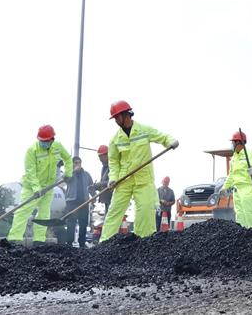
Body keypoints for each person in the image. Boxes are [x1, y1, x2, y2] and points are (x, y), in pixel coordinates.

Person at [99, 100, 179, 241]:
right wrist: (113, 178)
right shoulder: (115, 140)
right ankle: (104, 244)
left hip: (144, 180)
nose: (116, 120)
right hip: (123, 180)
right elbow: (114, 162)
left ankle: (144, 244)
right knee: (114, 212)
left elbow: (163, 137)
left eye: (117, 117)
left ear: (126, 114)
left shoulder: (144, 131)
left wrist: (171, 142)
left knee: (145, 211)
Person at [7, 124, 73, 245]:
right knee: (23, 212)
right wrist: (37, 189)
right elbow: (30, 172)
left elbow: (68, 159)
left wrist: (68, 173)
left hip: (49, 187)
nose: (43, 143)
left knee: (44, 213)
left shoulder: (57, 147)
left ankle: (39, 240)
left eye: (46, 141)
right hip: (31, 188)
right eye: (41, 141)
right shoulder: (32, 151)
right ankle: (14, 239)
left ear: (52, 139)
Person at [219, 131, 252, 228]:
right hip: (236, 190)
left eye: (233, 142)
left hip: (247, 188)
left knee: (248, 213)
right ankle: (242, 235)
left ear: (239, 142)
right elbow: (231, 176)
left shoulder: (250, 154)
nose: (232, 144)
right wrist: (224, 188)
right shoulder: (234, 158)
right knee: (239, 214)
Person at [64, 156, 95, 248]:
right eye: (76, 163)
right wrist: (73, 171)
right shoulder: (69, 174)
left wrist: (93, 197)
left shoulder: (86, 174)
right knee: (71, 223)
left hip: (84, 202)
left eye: (79, 163)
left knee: (83, 223)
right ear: (72, 164)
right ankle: (69, 244)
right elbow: (65, 179)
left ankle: (82, 244)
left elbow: (91, 187)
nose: (78, 165)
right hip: (71, 202)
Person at [93, 145, 113, 214]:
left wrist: (100, 184)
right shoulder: (104, 168)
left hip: (112, 197)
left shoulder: (113, 166)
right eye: (99, 157)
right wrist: (97, 187)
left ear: (107, 155)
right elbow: (104, 183)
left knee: (111, 218)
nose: (100, 159)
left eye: (101, 157)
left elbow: (113, 181)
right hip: (106, 198)